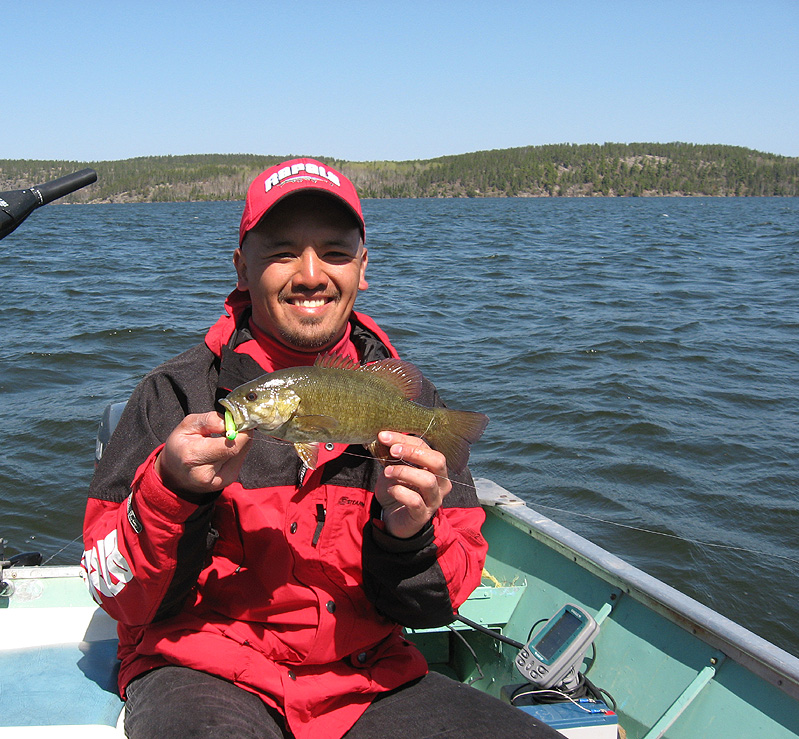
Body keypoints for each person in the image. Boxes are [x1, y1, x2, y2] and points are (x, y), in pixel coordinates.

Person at [82, 158, 561, 739]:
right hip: (201, 667)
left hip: (365, 680)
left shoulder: (414, 403)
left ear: (363, 267)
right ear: (242, 268)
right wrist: (172, 493)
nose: (310, 274)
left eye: (334, 252)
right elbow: (114, 591)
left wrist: (408, 535)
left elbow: (436, 605)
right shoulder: (174, 394)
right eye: (283, 252)